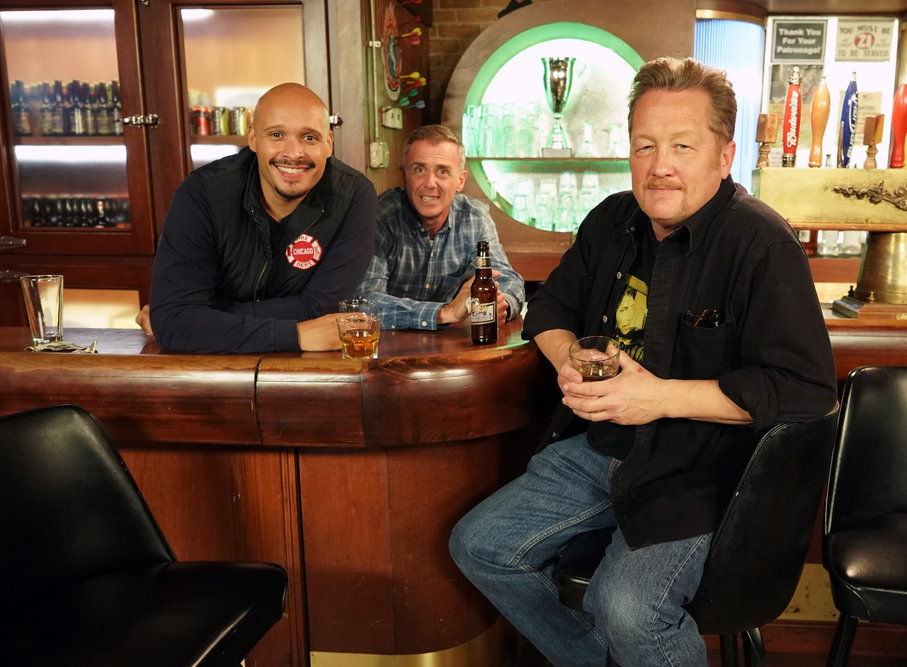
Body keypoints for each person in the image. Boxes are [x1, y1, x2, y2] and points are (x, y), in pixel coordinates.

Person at [449, 57, 838, 666]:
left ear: (724, 155)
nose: (660, 165)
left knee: (627, 608)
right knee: (480, 547)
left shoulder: (762, 244)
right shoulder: (611, 219)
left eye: (683, 146)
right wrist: (569, 356)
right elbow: (547, 308)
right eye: (644, 145)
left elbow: (805, 391)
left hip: (701, 470)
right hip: (600, 448)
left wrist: (656, 397)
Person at [140, 82, 376, 353]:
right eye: (276, 135)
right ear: (252, 138)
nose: (294, 153)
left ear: (329, 144)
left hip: (307, 369)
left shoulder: (354, 195)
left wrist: (201, 317)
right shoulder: (202, 193)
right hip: (210, 369)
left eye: (309, 138)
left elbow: (319, 309)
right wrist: (297, 334)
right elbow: (175, 322)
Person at [356, 124, 524, 330]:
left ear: (460, 181)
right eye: (419, 170)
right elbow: (365, 302)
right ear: (404, 175)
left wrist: (501, 304)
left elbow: (507, 278)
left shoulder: (475, 218)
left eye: (442, 171)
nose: (430, 183)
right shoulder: (379, 218)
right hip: (388, 343)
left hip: (449, 342)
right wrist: (444, 312)